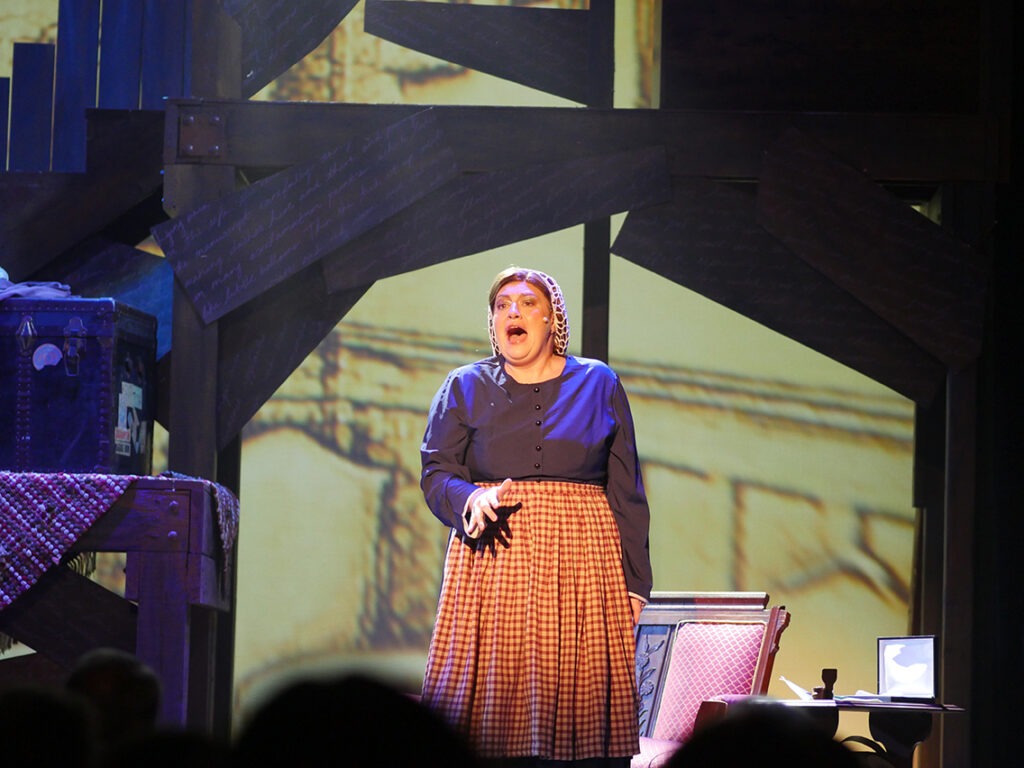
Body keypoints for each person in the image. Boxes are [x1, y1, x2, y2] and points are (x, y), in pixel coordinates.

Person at [420, 266, 653, 766]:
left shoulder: (598, 382)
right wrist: (470, 499)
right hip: (493, 565)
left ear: (552, 320)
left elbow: (627, 490)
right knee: (491, 721)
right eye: (502, 305)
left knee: (582, 714)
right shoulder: (464, 386)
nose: (513, 312)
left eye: (527, 303)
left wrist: (636, 584)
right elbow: (437, 472)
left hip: (583, 566)